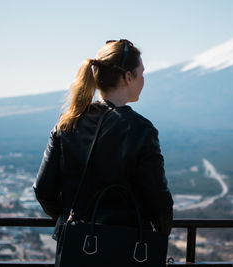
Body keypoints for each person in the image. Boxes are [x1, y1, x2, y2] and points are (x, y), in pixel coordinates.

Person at [33, 39, 173, 249]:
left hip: (76, 248)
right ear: (128, 77)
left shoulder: (67, 123)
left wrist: (70, 219)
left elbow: (43, 189)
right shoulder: (140, 130)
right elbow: (158, 199)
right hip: (126, 247)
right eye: (141, 73)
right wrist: (158, 235)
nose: (144, 80)